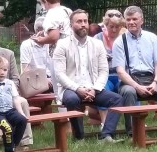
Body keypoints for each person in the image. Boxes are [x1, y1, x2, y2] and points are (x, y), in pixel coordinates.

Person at [52, 9, 123, 142]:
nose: (83, 24)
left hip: (93, 88)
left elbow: (103, 70)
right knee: (72, 100)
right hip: (71, 88)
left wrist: (95, 89)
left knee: (117, 99)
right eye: (79, 21)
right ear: (71, 25)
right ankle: (79, 137)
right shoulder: (62, 45)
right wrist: (78, 88)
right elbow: (59, 74)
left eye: (85, 21)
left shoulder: (97, 44)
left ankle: (106, 134)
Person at [113, 5, 157, 136]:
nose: (131, 22)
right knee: (129, 92)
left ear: (142, 20)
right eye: (128, 19)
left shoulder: (152, 38)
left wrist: (156, 82)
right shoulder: (119, 42)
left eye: (134, 19)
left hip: (151, 78)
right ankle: (133, 133)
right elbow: (120, 71)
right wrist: (136, 86)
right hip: (130, 80)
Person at [94, 10, 124, 93]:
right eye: (111, 26)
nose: (114, 30)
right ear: (105, 25)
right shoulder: (97, 38)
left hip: (122, 76)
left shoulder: (125, 39)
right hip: (104, 76)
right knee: (103, 91)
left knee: (128, 91)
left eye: (117, 27)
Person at [20, 18, 52, 90]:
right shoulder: (27, 45)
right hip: (34, 81)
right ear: (39, 31)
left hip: (51, 79)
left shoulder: (50, 44)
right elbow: (25, 70)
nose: (51, 34)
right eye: (49, 31)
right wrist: (43, 80)